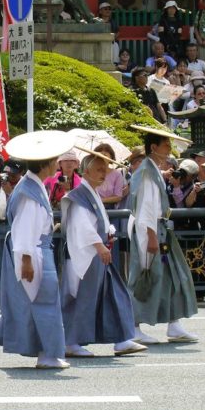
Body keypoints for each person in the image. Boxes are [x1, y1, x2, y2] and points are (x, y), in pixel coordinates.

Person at [0, 130, 73, 369]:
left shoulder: (32, 186)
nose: (57, 164)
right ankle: (47, 353)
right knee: (43, 303)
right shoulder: (29, 191)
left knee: (29, 301)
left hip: (35, 248)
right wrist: (25, 260)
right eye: (54, 160)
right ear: (47, 163)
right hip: (33, 250)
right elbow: (25, 228)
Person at [60, 149, 145, 358]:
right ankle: (71, 341)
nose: (104, 173)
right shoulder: (80, 195)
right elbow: (83, 226)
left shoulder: (91, 192)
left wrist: (108, 234)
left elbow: (96, 222)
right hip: (87, 255)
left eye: (105, 169)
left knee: (111, 296)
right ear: (86, 171)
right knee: (83, 299)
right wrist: (99, 245)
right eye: (99, 169)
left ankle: (121, 339)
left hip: (97, 254)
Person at [126, 125, 198, 345]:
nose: (168, 149)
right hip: (151, 229)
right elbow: (146, 206)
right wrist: (151, 236)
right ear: (153, 147)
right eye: (165, 145)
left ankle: (174, 324)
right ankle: (133, 325)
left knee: (171, 276)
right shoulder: (147, 172)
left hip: (158, 228)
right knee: (145, 275)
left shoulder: (152, 170)